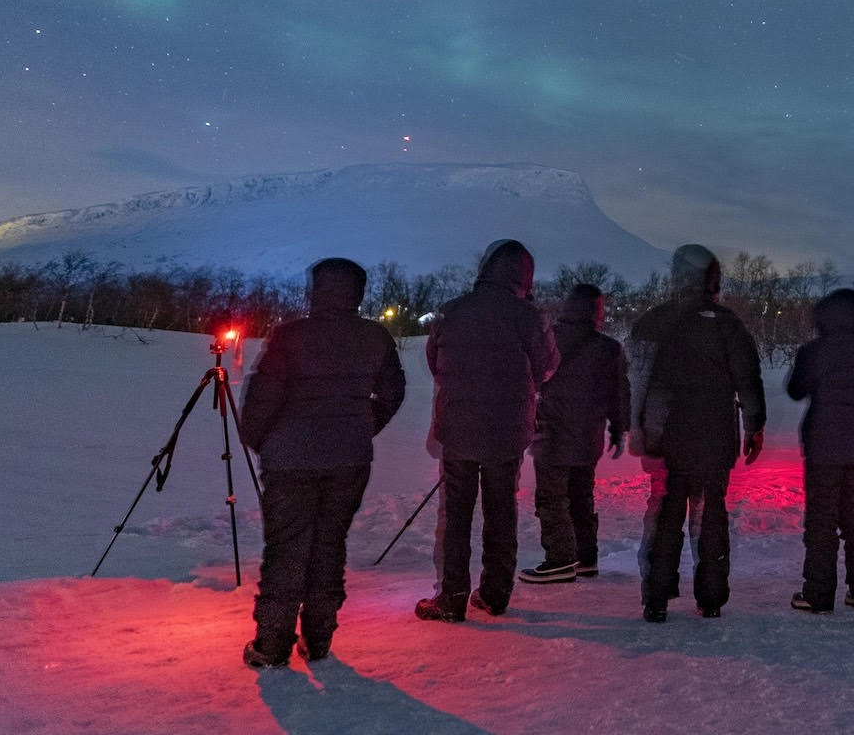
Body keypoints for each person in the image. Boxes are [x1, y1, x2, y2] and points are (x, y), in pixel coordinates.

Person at [239, 258, 406, 667]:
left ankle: (272, 643)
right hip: (349, 460)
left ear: (316, 289)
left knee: (286, 548)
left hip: (290, 460)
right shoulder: (375, 337)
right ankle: (318, 637)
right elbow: (393, 392)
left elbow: (262, 399)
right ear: (358, 292)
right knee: (329, 544)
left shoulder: (290, 336)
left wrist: (260, 439)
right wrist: (363, 428)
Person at [415, 240, 559, 622]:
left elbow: (435, 362)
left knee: (457, 515)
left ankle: (452, 598)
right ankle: (495, 594)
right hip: (506, 431)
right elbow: (546, 367)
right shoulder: (528, 316)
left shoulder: (451, 311)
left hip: (458, 427)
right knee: (501, 510)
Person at [636, 244, 765, 621]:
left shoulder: (657, 321)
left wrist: (641, 428)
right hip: (714, 436)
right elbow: (747, 378)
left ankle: (657, 596)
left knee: (667, 511)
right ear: (712, 278)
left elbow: (641, 382)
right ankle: (711, 596)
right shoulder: (727, 324)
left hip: (670, 435)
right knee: (711, 512)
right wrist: (754, 425)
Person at [520, 284, 629, 584]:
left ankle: (560, 560)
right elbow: (619, 394)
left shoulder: (549, 338)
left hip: (551, 433)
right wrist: (618, 430)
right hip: (588, 436)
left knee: (553, 498)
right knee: (581, 497)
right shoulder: (608, 348)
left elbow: (530, 377)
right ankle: (586, 558)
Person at [785, 288, 854, 613]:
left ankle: (818, 592)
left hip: (823, 446)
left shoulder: (815, 351)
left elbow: (795, 389)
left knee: (822, 520)